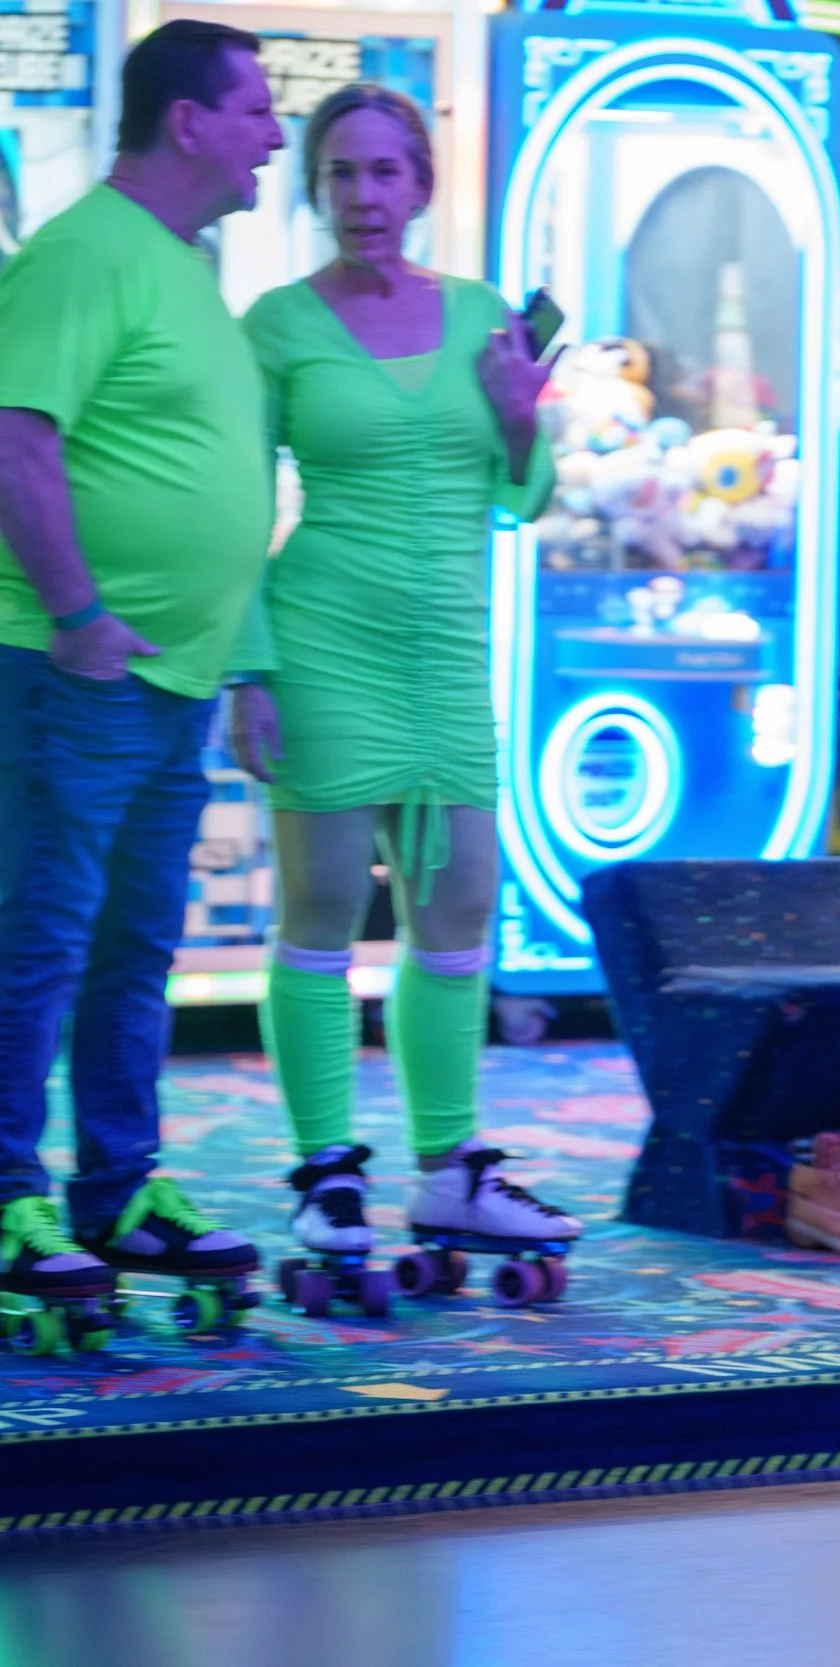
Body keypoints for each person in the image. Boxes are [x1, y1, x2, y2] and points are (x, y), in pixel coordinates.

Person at [221, 85, 577, 1267]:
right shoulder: (275, 324)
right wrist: (249, 666)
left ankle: (450, 1169)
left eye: (384, 174)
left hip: (447, 653)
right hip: (320, 638)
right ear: (313, 190)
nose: (362, 197)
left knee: (462, 901)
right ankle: (325, 1173)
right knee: (322, 907)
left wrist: (522, 417)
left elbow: (521, 499)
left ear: (422, 186)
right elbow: (233, 508)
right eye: (339, 176)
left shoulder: (482, 319)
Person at [0, 21, 282, 1309]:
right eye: (258, 110)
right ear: (187, 121)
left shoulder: (185, 264)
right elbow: (16, 438)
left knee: (133, 948)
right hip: (74, 669)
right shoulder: (85, 252)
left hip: (166, 684)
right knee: (42, 938)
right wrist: (76, 612)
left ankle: (117, 1192)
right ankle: (8, 1195)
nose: (277, 135)